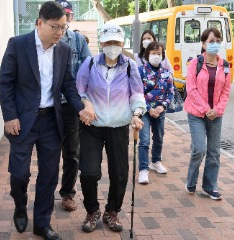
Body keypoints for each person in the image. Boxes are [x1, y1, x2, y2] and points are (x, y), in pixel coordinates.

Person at [0, 2, 95, 239]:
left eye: (63, 27)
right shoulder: (18, 45)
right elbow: (5, 82)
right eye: (55, 27)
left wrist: (80, 107)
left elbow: (68, 85)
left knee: (49, 174)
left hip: (52, 120)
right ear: (39, 23)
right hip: (22, 121)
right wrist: (9, 116)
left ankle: (42, 223)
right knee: (19, 173)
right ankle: (20, 205)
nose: (60, 32)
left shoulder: (62, 50)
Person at [76, 22, 146, 233]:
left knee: (120, 173)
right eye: (108, 42)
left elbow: (136, 93)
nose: (112, 46)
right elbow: (79, 90)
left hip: (118, 125)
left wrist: (137, 113)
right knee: (88, 172)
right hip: (92, 125)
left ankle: (112, 211)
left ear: (122, 43)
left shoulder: (129, 66)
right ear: (102, 43)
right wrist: (85, 105)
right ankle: (92, 210)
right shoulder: (89, 64)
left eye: (116, 42)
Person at [184, 27, 231, 200]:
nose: (214, 44)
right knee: (199, 149)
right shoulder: (195, 64)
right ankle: (191, 180)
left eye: (218, 41)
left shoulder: (225, 66)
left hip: (215, 115)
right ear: (203, 44)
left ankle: (209, 187)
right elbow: (191, 89)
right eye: (211, 41)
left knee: (214, 151)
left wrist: (217, 110)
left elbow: (226, 91)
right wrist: (206, 109)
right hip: (197, 113)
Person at [56, 0, 92, 213]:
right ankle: (45, 190)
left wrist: (85, 100)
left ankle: (68, 192)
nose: (64, 19)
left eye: (67, 15)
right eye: (61, 15)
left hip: (71, 104)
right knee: (49, 150)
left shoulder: (78, 41)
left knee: (72, 151)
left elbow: (89, 69)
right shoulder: (46, 39)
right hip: (49, 104)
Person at [137, 41, 174, 184]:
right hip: (145, 110)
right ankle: (143, 169)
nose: (156, 56)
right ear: (147, 54)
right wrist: (148, 108)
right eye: (153, 53)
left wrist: (162, 107)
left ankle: (156, 161)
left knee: (159, 137)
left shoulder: (166, 73)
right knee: (145, 139)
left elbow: (170, 93)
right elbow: (136, 92)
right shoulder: (140, 71)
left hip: (160, 111)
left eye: (159, 53)